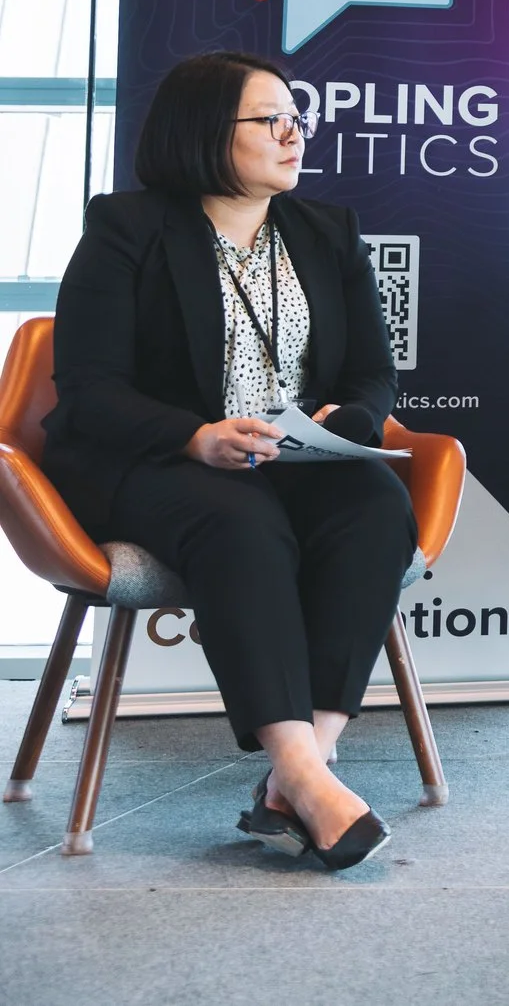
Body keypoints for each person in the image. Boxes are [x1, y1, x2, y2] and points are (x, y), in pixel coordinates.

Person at [45, 51, 410, 869]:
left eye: (296, 117)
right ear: (209, 129)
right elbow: (86, 388)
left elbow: (373, 375)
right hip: (151, 459)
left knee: (377, 505)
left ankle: (299, 775)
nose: (293, 133)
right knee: (236, 517)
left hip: (291, 455)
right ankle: (311, 784)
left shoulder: (327, 231)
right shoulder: (126, 228)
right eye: (269, 118)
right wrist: (193, 435)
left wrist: (345, 420)